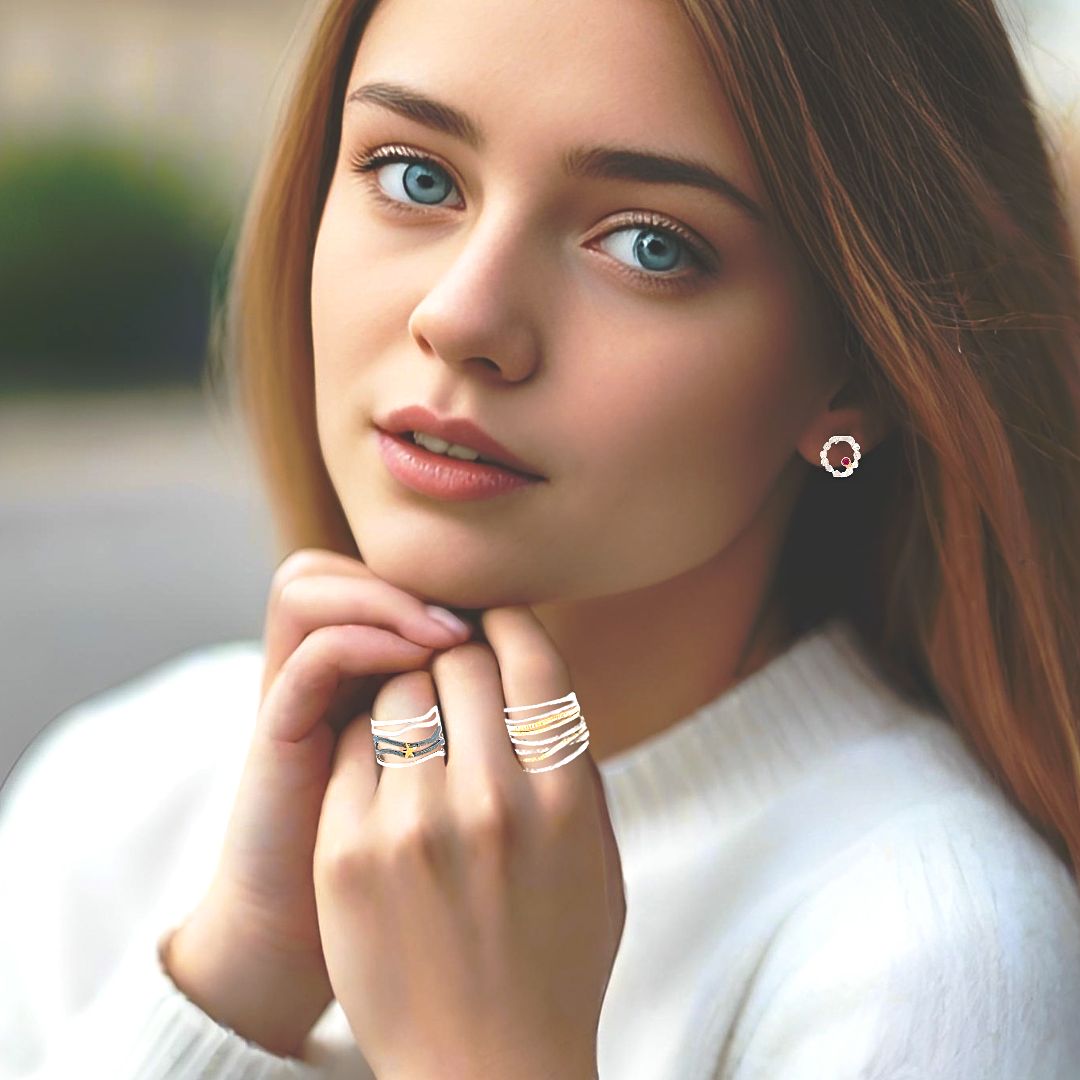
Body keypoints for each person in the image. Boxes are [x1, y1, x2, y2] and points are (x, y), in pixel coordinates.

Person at [2, 0, 1079, 1075]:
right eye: (415, 175)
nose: (463, 317)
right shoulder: (120, 792)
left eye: (650, 244)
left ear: (858, 371)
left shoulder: (935, 946)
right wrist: (231, 987)